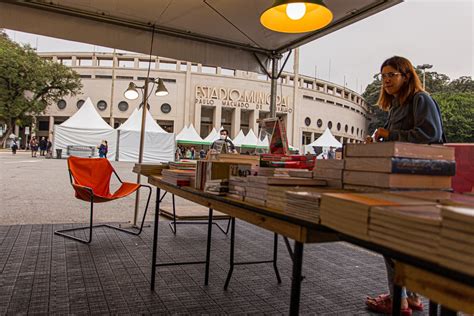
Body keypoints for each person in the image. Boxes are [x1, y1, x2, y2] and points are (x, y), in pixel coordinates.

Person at [365, 56, 445, 316]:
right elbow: (396, 141)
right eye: (383, 75)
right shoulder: (396, 107)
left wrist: (391, 135)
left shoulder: (420, 99)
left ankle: (398, 300)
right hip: (401, 180)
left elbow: (430, 135)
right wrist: (379, 142)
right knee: (401, 239)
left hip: (419, 181)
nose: (387, 80)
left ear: (407, 75)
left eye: (392, 74)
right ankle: (409, 296)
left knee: (389, 237)